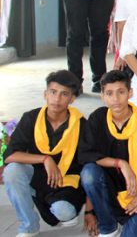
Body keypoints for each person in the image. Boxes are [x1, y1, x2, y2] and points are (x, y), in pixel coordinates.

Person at [3, 70, 90, 236]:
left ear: (72, 99)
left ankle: (58, 206)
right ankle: (29, 226)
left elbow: (88, 165)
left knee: (63, 213)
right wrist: (45, 158)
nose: (57, 99)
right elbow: (10, 155)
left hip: (67, 181)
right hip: (38, 176)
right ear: (45, 94)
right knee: (12, 171)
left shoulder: (81, 125)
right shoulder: (31, 118)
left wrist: (90, 211)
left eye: (64, 94)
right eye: (53, 92)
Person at [79, 70, 137, 237]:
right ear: (102, 95)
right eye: (109, 93)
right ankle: (108, 227)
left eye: (121, 92)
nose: (115, 99)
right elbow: (86, 155)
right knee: (88, 172)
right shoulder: (98, 118)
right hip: (110, 190)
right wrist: (120, 163)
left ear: (130, 93)